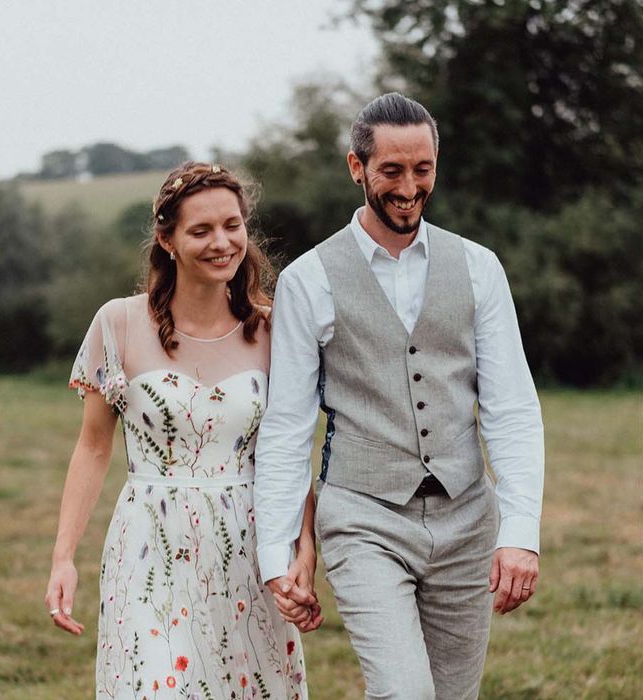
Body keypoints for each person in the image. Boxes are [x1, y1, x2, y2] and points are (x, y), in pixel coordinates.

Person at [254, 93, 545, 699]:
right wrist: (277, 551)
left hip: (467, 519)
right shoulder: (309, 280)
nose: (409, 187)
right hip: (363, 519)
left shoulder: (478, 267)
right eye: (391, 170)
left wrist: (518, 532)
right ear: (356, 168)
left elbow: (511, 407)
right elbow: (286, 426)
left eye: (423, 169)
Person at [45, 162, 318, 699]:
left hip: (250, 547)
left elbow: (288, 451)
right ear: (167, 240)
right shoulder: (117, 323)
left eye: (232, 225)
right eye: (201, 230)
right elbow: (93, 446)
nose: (222, 242)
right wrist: (62, 558)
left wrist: (303, 549)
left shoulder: (274, 327)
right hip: (148, 549)